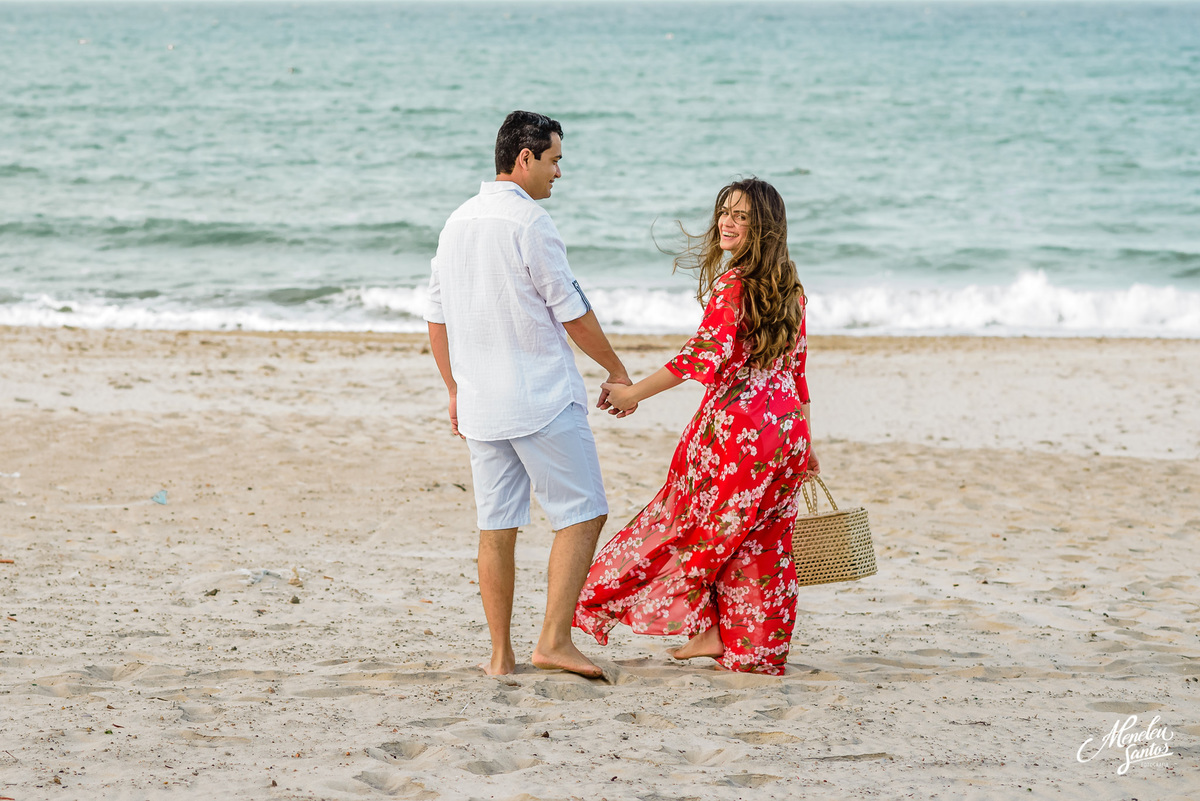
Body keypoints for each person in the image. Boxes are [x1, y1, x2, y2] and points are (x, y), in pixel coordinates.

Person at [572, 178, 818, 675]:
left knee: (695, 528)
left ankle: (708, 630)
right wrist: (807, 442)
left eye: (742, 216)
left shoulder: (735, 285)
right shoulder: (790, 285)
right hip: (785, 431)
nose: (728, 222)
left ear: (764, 227)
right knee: (763, 541)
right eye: (725, 211)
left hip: (738, 433)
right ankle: (755, 649)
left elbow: (700, 356)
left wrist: (631, 393)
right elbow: (796, 371)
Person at [425, 110, 632, 678]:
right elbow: (572, 312)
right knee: (584, 511)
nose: (558, 173)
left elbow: (437, 321)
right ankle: (553, 641)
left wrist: (452, 390)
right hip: (539, 396)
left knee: (497, 525)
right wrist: (617, 371)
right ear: (525, 158)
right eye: (555, 159)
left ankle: (500, 657)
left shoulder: (457, 221)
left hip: (481, 403)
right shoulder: (530, 223)